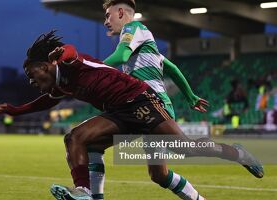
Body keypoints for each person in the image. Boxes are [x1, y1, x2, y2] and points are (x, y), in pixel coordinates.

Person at [0, 31, 263, 200]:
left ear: (44, 65)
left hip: (140, 102)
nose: (30, 81)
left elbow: (71, 51)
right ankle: (85, 193)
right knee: (76, 138)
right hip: (119, 113)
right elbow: (44, 103)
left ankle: (238, 153)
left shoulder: (70, 62)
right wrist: (15, 111)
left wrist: (61, 54)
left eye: (31, 75)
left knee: (186, 149)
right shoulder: (61, 84)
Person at [87, 1, 209, 199]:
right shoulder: (144, 43)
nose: (105, 22)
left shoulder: (133, 28)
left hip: (152, 106)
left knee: (90, 141)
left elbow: (122, 55)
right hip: (143, 107)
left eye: (108, 15)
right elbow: (172, 68)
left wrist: (92, 68)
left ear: (120, 12)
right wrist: (190, 96)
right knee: (159, 175)